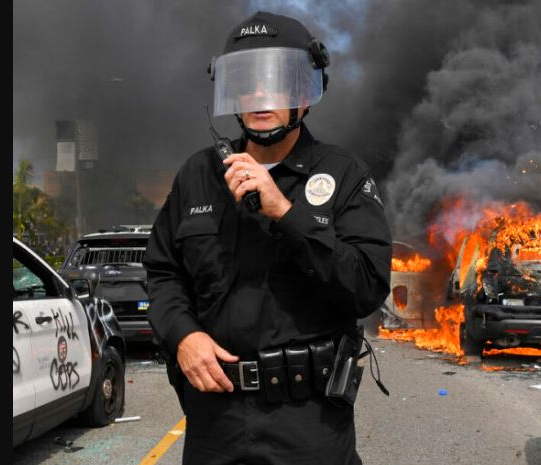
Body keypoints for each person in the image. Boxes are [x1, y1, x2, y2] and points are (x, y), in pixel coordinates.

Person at [143, 10, 392, 465]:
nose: (260, 95)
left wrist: (285, 212)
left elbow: (366, 287)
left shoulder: (344, 176)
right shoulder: (199, 175)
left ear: (306, 92)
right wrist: (182, 336)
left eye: (278, 82)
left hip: (308, 423)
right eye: (246, 82)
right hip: (213, 421)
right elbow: (162, 271)